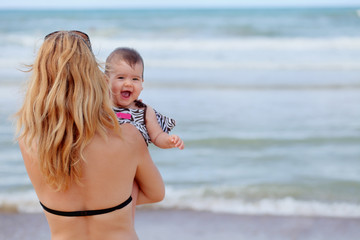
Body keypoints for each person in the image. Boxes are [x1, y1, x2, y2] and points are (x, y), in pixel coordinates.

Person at [15, 30, 165, 240]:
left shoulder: (28, 142)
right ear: (93, 77)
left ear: (41, 78)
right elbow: (156, 193)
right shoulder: (127, 137)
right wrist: (118, 195)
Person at [105, 47, 184, 150]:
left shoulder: (144, 111)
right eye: (121, 78)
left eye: (135, 79)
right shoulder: (101, 107)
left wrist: (168, 140)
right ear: (106, 81)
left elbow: (157, 136)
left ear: (142, 84)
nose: (128, 83)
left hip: (133, 163)